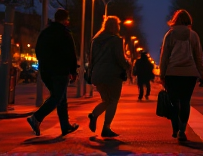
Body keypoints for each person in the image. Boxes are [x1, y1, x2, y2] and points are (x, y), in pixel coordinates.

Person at [27, 8, 79, 137]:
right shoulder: (65, 34)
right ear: (65, 20)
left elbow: (38, 50)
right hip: (60, 71)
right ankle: (37, 117)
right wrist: (73, 71)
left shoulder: (45, 33)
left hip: (46, 71)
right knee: (57, 97)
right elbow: (71, 54)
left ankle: (65, 125)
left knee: (61, 97)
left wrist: (44, 64)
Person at [159, 9, 203, 142]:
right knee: (185, 101)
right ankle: (182, 130)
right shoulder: (193, 36)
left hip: (172, 73)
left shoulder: (169, 35)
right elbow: (198, 56)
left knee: (174, 102)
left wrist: (162, 74)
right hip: (189, 74)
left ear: (175, 20)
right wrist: (201, 73)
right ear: (188, 21)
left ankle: (175, 127)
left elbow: (164, 57)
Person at [87, 16, 130, 138]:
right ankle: (106, 128)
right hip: (112, 75)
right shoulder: (116, 40)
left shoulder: (95, 40)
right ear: (116, 26)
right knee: (113, 100)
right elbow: (119, 58)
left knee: (106, 100)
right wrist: (128, 65)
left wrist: (91, 73)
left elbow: (91, 59)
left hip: (98, 75)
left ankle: (94, 115)